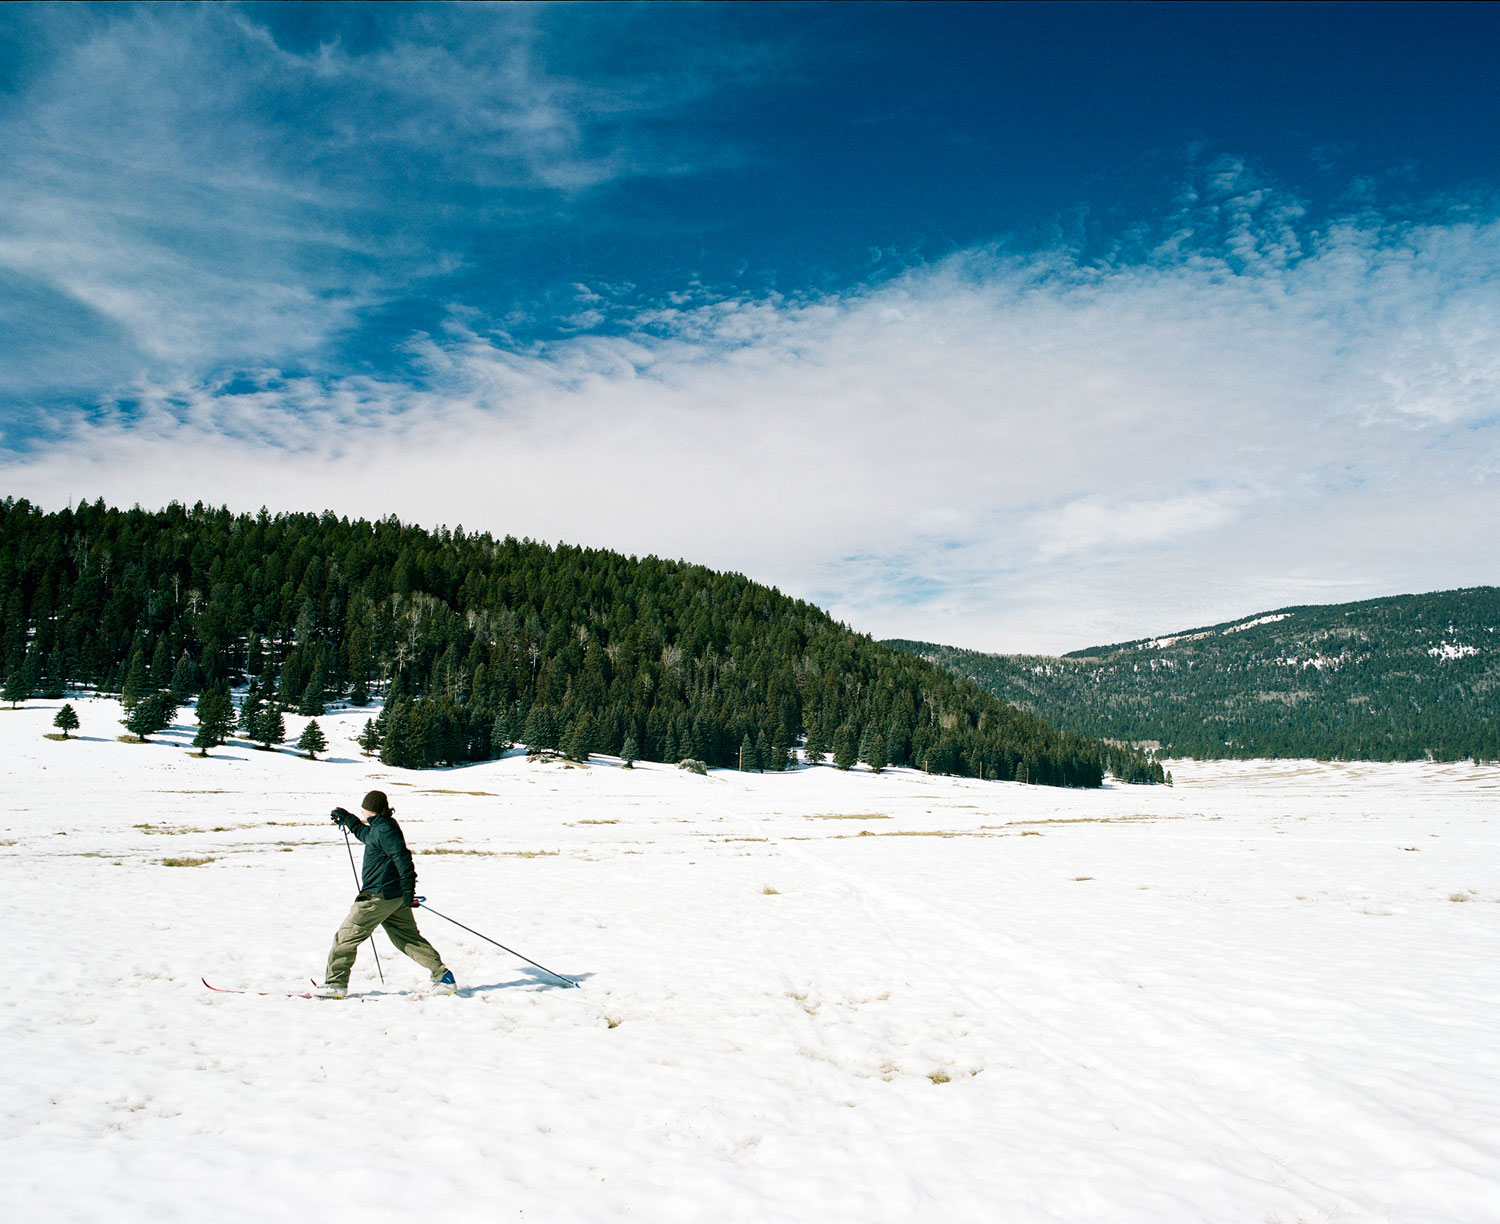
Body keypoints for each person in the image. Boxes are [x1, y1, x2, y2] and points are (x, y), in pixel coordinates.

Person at [320, 790, 457, 997]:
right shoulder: (381, 827)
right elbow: (364, 834)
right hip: (393, 897)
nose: (362, 811)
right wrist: (347, 818)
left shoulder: (383, 830)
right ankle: (442, 977)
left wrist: (409, 890)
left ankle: (335, 984)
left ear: (369, 809)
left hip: (378, 897)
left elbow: (402, 857)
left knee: (345, 938)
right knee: (407, 939)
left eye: (363, 809)